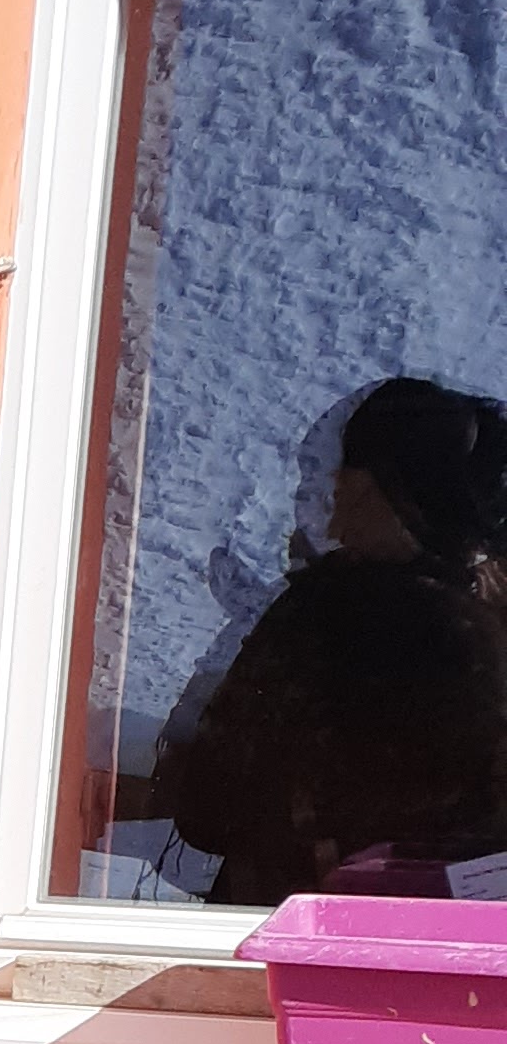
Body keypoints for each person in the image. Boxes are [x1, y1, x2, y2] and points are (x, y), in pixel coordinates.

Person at [148, 372, 507, 904]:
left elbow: (210, 808)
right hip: (456, 938)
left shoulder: (327, 611)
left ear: (400, 498)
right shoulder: (490, 616)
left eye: (351, 490)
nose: (335, 520)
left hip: (297, 924)